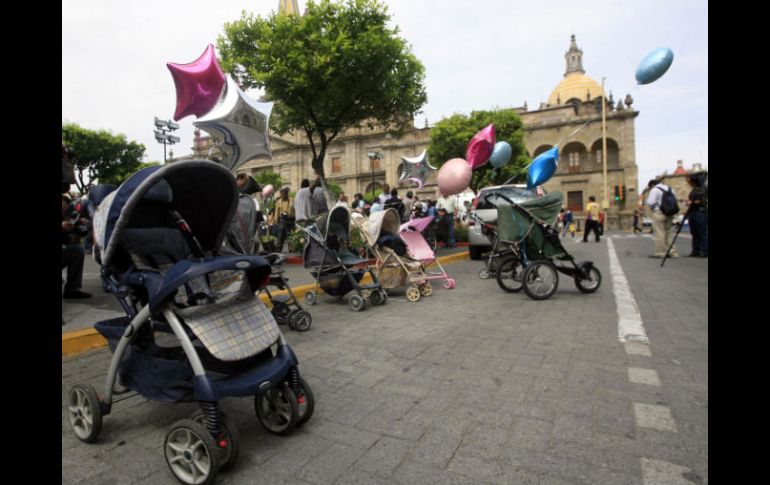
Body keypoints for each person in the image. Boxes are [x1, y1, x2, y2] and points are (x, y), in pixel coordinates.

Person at [62, 194, 92, 300]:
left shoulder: (68, 216)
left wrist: (76, 226)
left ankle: (72, 289)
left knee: (77, 250)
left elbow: (82, 232)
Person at [645, 179, 679, 258]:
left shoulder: (655, 189)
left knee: (660, 233)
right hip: (670, 213)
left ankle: (661, 252)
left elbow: (650, 202)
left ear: (652, 185)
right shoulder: (670, 189)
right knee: (668, 233)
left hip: (659, 213)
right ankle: (672, 252)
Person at [686, 173, 708, 257]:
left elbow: (701, 201)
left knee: (701, 232)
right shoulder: (694, 190)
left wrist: (692, 202)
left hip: (700, 212)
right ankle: (696, 250)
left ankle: (704, 250)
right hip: (693, 212)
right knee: (694, 232)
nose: (688, 182)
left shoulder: (703, 189)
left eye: (689, 180)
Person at [271, 187, 295, 252]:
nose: (282, 196)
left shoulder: (292, 200)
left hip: (290, 221)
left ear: (287, 194)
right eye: (281, 194)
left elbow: (294, 210)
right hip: (282, 221)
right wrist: (275, 222)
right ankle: (278, 249)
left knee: (291, 236)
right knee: (280, 236)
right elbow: (276, 213)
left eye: (284, 194)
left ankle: (291, 249)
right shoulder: (278, 202)